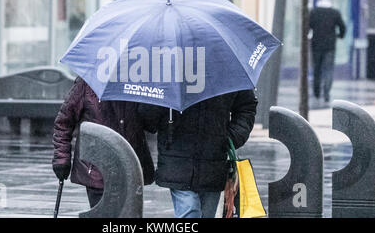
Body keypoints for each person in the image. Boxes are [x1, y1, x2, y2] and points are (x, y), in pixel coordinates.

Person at [138, 90, 257, 218]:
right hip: (177, 158)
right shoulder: (168, 75)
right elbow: (148, 119)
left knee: (206, 214)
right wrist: (164, 97)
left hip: (213, 158)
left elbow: (246, 107)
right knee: (190, 211)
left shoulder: (228, 73)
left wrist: (232, 136)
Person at [52, 77, 155, 207]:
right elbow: (64, 122)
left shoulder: (139, 82)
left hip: (131, 169)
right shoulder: (86, 83)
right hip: (97, 169)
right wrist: (61, 159)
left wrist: (149, 105)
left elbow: (151, 125)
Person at [310, 0, 346, 103]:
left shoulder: (314, 12)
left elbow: (308, 26)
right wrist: (340, 36)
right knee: (328, 70)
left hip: (316, 45)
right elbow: (343, 27)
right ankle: (326, 93)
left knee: (317, 69)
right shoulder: (335, 13)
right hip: (330, 46)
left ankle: (316, 92)